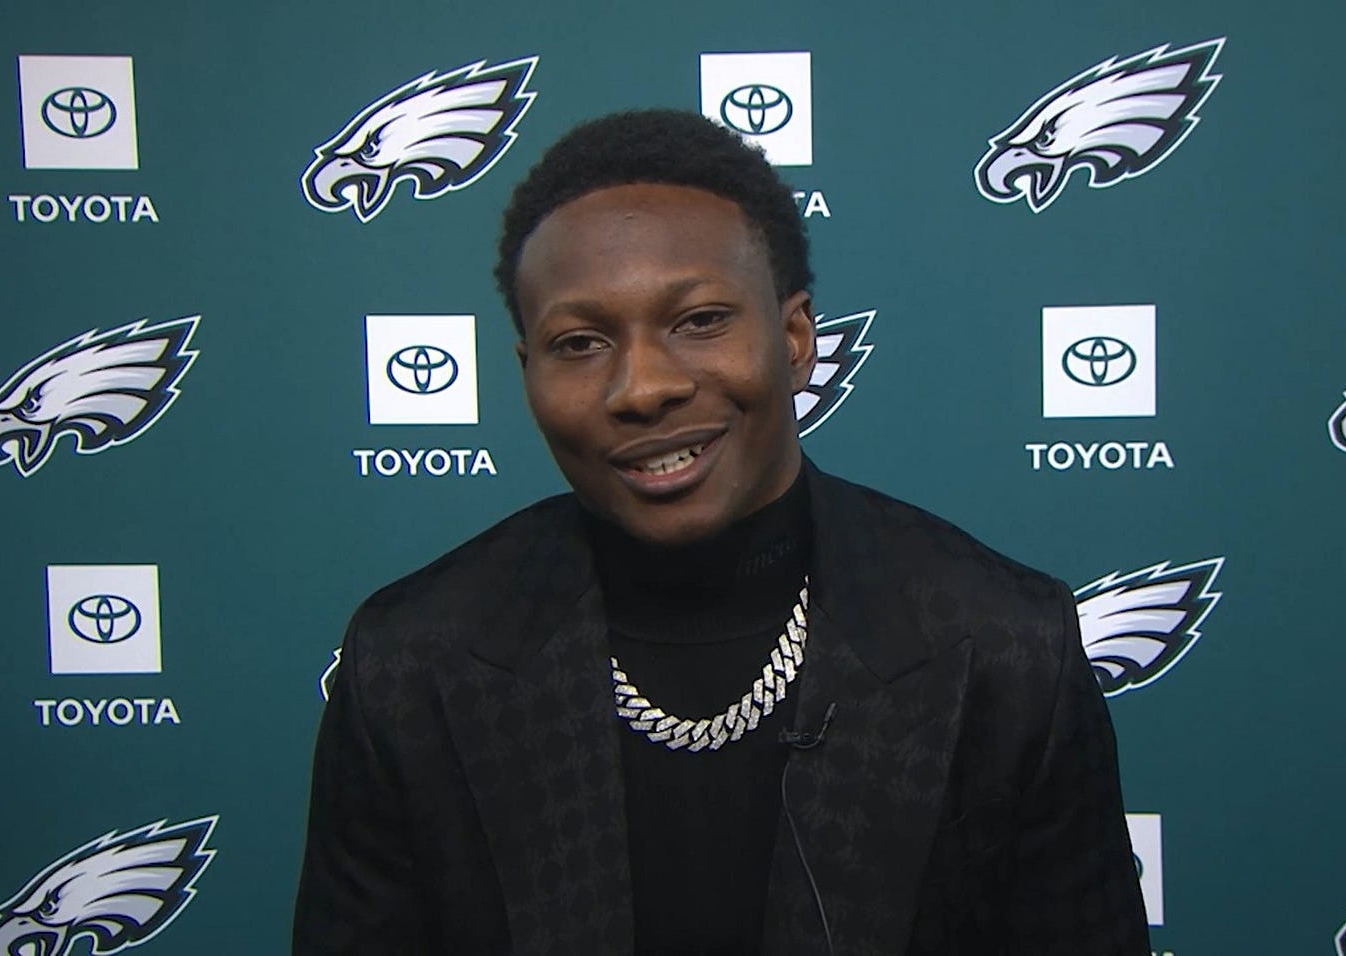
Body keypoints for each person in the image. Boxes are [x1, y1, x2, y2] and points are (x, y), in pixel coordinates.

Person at [293, 109, 1150, 955]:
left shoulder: (1004, 648)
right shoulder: (411, 665)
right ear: (528, 375)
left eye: (700, 320)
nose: (642, 387)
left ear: (796, 338)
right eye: (580, 342)